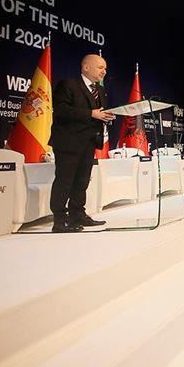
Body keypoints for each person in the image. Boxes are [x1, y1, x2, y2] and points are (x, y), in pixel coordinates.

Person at [49, 54, 115, 233]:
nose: (104, 71)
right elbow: (61, 110)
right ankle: (59, 221)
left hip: (89, 141)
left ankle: (78, 215)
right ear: (86, 67)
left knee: (82, 181)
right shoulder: (68, 85)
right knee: (65, 180)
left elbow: (99, 113)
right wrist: (91, 114)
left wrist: (106, 116)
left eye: (105, 68)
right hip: (68, 142)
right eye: (100, 67)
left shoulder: (99, 90)